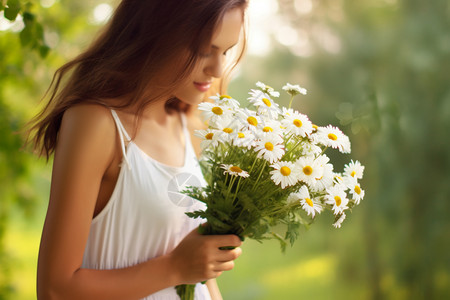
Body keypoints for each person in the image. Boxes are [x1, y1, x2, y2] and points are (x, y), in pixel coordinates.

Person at [28, 0, 248, 299]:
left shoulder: (185, 124)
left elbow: (201, 276)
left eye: (226, 51)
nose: (217, 68)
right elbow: (55, 289)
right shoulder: (97, 123)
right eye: (203, 50)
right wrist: (174, 268)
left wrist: (198, 264)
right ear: (157, 31)